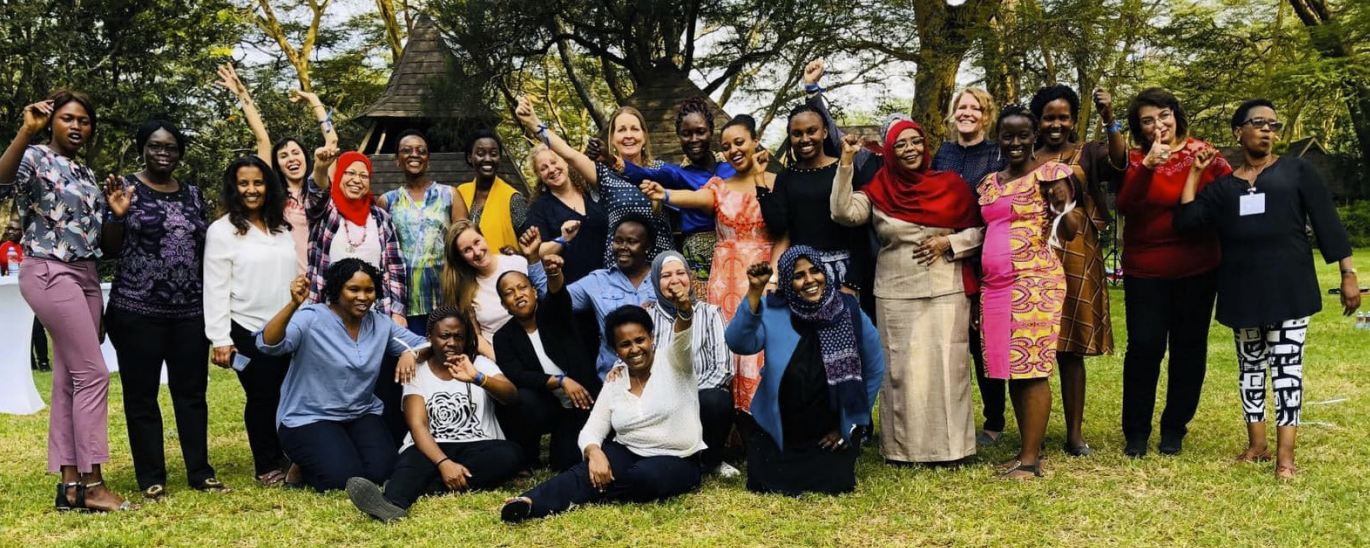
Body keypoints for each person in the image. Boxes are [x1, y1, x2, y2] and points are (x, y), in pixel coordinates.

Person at [1174, 99, 1359, 480]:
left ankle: (1286, 457)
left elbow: (1327, 222)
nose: (1268, 130)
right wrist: (1194, 173)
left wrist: (1347, 273)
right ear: (1238, 131)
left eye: (1274, 125)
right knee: (1251, 370)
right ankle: (1257, 445)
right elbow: (1187, 222)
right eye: (1258, 123)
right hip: (1242, 290)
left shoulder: (1296, 171)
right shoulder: (1225, 187)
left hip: (1289, 289)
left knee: (1288, 370)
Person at [0, 90, 134, 512]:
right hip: (48, 270)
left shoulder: (87, 173)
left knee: (70, 379)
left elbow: (107, 246)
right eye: (68, 118)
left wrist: (116, 214)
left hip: (87, 275)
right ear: (51, 121)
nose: (77, 126)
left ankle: (70, 486)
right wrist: (25, 130)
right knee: (94, 374)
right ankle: (94, 483)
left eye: (84, 121)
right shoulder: (34, 157)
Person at [829, 120, 983, 465]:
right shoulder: (878, 189)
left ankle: (953, 449)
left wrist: (950, 241)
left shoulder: (951, 185)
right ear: (889, 151)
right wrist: (846, 163)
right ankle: (903, 450)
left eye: (916, 142)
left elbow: (979, 231)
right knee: (902, 370)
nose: (910, 149)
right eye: (901, 144)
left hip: (946, 288)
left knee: (949, 366)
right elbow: (842, 213)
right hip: (895, 292)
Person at [102, 120, 223, 501]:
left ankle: (200, 472)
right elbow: (109, 249)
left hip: (188, 312)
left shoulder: (192, 194)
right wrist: (117, 215)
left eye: (171, 147)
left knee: (192, 394)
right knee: (141, 397)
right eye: (155, 146)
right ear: (143, 148)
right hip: (137, 311)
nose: (163, 153)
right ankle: (151, 477)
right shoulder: (126, 188)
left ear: (180, 152)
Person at [499, 303, 704, 523]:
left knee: (642, 476)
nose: (634, 349)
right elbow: (592, 428)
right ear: (616, 350)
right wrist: (594, 452)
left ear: (651, 338)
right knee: (585, 470)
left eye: (640, 340)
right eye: (625, 344)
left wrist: (684, 312)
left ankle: (598, 491)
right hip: (628, 450)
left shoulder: (675, 363)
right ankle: (529, 503)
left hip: (677, 457)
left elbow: (682, 340)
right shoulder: (616, 380)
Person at [1117, 87, 1232, 458]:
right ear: (1139, 127)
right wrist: (1149, 166)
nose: (1157, 125)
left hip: (1197, 267)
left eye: (1164, 115)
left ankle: (1174, 428)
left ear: (1176, 115)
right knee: (1145, 347)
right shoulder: (1134, 159)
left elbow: (1228, 197)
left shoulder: (1202, 153)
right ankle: (1136, 432)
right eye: (1147, 120)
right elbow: (1126, 207)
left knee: (1188, 348)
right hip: (1145, 270)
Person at [976, 105, 1085, 479]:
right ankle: (1026, 450)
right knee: (1009, 369)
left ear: (1034, 136)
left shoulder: (1052, 174)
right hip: (993, 287)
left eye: (1024, 135)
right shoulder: (989, 183)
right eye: (1008, 135)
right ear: (999, 139)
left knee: (1032, 369)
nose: (1016, 142)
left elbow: (1070, 231)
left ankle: (1030, 460)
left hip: (1034, 282)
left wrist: (1062, 205)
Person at [638, 114, 776, 411]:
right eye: (726, 146)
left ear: (755, 141)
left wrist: (774, 274)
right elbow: (693, 197)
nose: (733, 150)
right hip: (725, 278)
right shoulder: (719, 187)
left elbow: (786, 231)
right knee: (727, 342)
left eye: (739, 142)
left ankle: (763, 418)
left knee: (763, 343)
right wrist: (665, 193)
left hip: (764, 274)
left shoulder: (775, 184)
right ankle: (730, 423)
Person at [256, 259, 431, 492]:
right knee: (344, 480)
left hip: (360, 413)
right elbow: (269, 344)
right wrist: (292, 305)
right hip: (309, 416)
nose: (363, 297)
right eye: (354, 289)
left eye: (369, 290)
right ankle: (300, 467)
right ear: (337, 290)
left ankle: (337, 452)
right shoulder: (311, 317)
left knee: (383, 472)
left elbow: (427, 344)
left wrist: (410, 354)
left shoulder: (380, 324)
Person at [725, 249, 884, 495]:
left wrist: (850, 423)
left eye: (815, 270)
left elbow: (875, 368)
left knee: (834, 482)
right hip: (780, 429)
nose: (810, 280)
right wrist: (754, 293)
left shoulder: (848, 310)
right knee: (763, 481)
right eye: (799, 275)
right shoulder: (772, 309)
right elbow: (738, 342)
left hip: (829, 431)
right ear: (788, 282)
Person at [345, 306, 523, 522]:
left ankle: (418, 487)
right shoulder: (418, 370)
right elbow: (417, 425)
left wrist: (477, 378)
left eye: (459, 336)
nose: (452, 342)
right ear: (429, 337)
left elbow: (512, 396)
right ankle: (393, 504)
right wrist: (443, 463)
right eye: (444, 336)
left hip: (478, 445)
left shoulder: (479, 364)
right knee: (412, 462)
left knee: (510, 454)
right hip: (429, 446)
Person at [1028, 84, 1128, 456]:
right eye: (1049, 117)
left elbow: (1120, 164)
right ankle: (1031, 433)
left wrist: (1110, 119)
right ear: (1038, 121)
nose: (1056, 124)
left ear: (1072, 120)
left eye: (1063, 117)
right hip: (1033, 251)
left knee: (1070, 348)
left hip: (1076, 250)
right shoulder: (1028, 155)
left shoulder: (1086, 151)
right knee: (1033, 341)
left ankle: (1074, 434)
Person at [203, 156, 297, 486]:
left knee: (289, 394)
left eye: (258, 182)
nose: (251, 189)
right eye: (244, 183)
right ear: (234, 187)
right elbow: (215, 287)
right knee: (262, 396)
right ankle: (267, 464)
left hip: (288, 329)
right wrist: (220, 339)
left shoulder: (281, 227)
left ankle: (291, 456)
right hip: (246, 330)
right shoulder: (221, 231)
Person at [930, 87, 1008, 446]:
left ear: (986, 114)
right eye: (961, 107)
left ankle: (994, 419)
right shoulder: (942, 154)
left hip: (983, 251)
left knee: (981, 342)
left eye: (975, 108)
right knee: (949, 340)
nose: (967, 112)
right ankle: (949, 415)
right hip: (943, 255)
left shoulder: (997, 153)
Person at [759, 61, 876, 296]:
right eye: (797, 134)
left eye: (811, 131)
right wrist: (758, 180)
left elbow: (860, 232)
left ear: (824, 132)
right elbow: (780, 228)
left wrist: (852, 282)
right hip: (803, 277)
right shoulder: (786, 177)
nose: (805, 139)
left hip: (844, 274)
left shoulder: (845, 170)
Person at [512, 97, 661, 276]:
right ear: (612, 139)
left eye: (634, 129)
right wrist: (533, 122)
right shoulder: (605, 176)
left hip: (659, 260)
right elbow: (570, 153)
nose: (628, 135)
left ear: (644, 135)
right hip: (615, 272)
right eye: (621, 130)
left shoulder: (661, 171)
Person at [214, 63, 338, 273]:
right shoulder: (275, 194)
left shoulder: (320, 185)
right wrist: (242, 94)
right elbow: (263, 139)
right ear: (277, 165)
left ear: (306, 158)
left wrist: (314, 100)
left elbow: (331, 142)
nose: (291, 158)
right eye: (283, 155)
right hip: (286, 280)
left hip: (322, 277)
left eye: (296, 152)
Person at [614, 97, 737, 298]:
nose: (694, 139)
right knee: (704, 313)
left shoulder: (730, 168)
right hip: (699, 255)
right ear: (679, 136)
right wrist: (610, 160)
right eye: (686, 134)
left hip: (734, 250)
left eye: (700, 132)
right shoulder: (677, 174)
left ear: (711, 131)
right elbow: (642, 174)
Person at [493, 257, 603, 471]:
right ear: (504, 305)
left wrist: (554, 273)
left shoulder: (554, 315)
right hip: (551, 405)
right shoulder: (503, 336)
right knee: (520, 399)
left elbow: (558, 296)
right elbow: (516, 374)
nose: (518, 295)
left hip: (586, 402)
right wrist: (559, 381)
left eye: (522, 288)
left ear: (534, 291)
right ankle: (527, 454)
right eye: (509, 293)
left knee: (569, 461)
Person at [646, 251, 737, 476]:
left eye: (680, 273)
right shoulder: (646, 316)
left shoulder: (710, 313)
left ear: (689, 277)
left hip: (700, 394)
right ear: (656, 282)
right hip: (658, 396)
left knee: (718, 400)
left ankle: (710, 460)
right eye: (666, 275)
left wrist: (686, 393)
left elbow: (724, 368)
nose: (675, 280)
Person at [380, 130, 467, 336]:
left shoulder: (449, 194)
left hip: (447, 294)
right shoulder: (388, 201)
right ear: (397, 161)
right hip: (406, 301)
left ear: (428, 159)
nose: (414, 154)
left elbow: (466, 241)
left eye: (421, 151)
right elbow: (383, 254)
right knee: (414, 358)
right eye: (406, 150)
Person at [304, 150, 407, 323]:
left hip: (375, 315)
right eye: (350, 173)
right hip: (328, 316)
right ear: (338, 176)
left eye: (363, 176)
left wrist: (398, 312)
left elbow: (395, 266)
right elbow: (317, 193)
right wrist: (321, 168)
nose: (357, 180)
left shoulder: (381, 218)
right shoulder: (326, 211)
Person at [556, 215, 660, 377]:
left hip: (659, 373)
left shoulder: (663, 278)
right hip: (613, 377)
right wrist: (542, 260)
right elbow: (556, 300)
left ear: (647, 246)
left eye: (631, 241)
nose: (623, 247)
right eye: (618, 241)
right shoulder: (598, 280)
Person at [440, 221, 547, 356]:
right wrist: (500, 360)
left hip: (539, 341)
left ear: (483, 237)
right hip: (500, 352)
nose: (477, 252)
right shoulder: (465, 289)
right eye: (467, 250)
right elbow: (476, 336)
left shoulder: (517, 263)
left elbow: (545, 299)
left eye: (477, 242)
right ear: (461, 258)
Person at [521, 142, 608, 283]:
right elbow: (537, 252)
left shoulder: (590, 190)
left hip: (610, 278)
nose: (551, 169)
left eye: (554, 162)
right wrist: (562, 239)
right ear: (539, 176)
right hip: (573, 287)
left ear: (566, 161)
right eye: (543, 168)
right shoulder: (539, 208)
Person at [457, 130, 527, 253]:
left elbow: (530, 247)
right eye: (480, 153)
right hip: (465, 270)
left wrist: (516, 253)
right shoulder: (459, 193)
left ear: (499, 158)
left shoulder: (514, 198)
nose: (488, 159)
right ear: (469, 157)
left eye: (493, 154)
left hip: (505, 269)